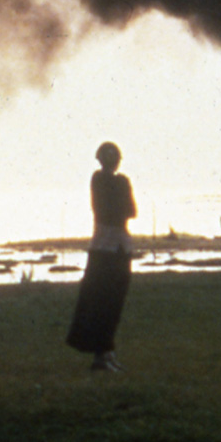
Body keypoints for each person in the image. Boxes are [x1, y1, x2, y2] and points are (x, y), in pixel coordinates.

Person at [66, 142, 136, 372]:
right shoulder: (102, 180)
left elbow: (129, 211)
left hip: (117, 247)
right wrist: (119, 203)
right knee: (101, 303)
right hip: (106, 248)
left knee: (113, 303)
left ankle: (107, 351)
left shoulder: (118, 181)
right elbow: (115, 211)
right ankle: (101, 354)